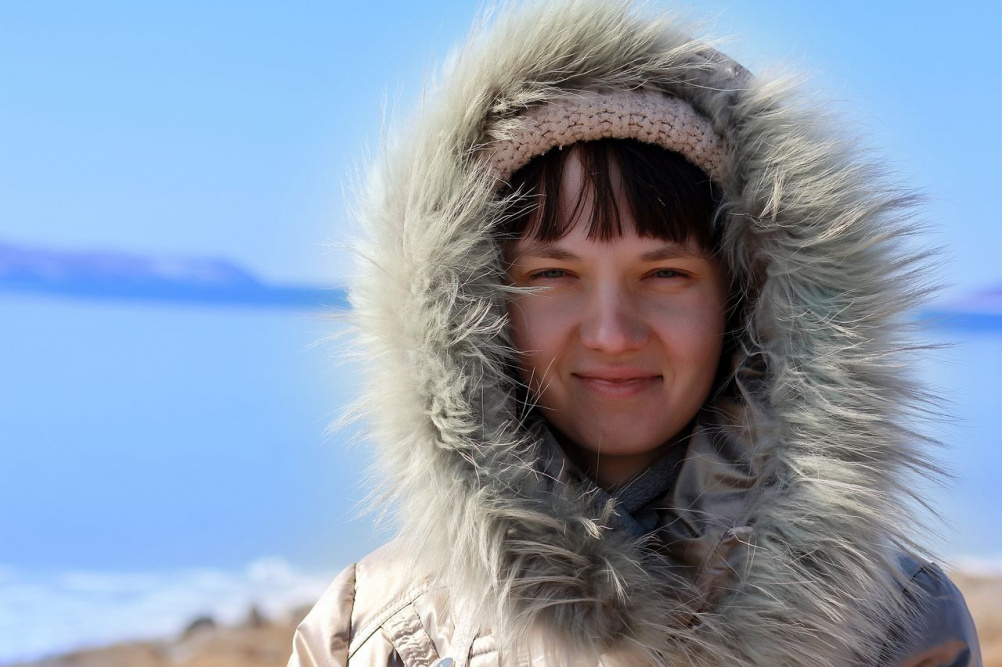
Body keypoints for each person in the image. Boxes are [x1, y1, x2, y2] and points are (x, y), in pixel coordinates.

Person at [289, 0, 981, 664]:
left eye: (665, 274)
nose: (612, 333)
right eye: (553, 274)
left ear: (748, 299)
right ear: (474, 305)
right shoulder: (375, 632)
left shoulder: (902, 629)